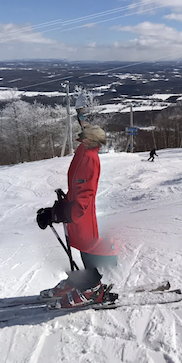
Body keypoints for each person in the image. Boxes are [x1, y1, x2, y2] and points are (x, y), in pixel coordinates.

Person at [35, 125, 115, 308]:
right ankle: (78, 281)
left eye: (84, 137)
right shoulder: (83, 151)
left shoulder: (89, 159)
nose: (79, 138)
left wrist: (56, 214)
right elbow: (77, 192)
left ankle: (92, 290)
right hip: (76, 216)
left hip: (81, 217)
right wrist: (58, 208)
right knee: (80, 251)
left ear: (90, 140)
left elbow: (83, 198)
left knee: (87, 250)